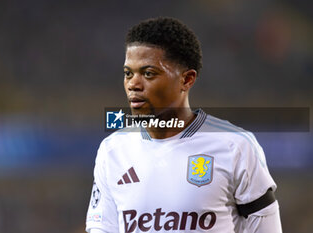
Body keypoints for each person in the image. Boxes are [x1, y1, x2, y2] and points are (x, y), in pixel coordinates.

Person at [86, 17, 282, 233]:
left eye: (148, 73)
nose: (133, 84)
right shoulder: (112, 150)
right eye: (128, 73)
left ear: (187, 80)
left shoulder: (235, 146)